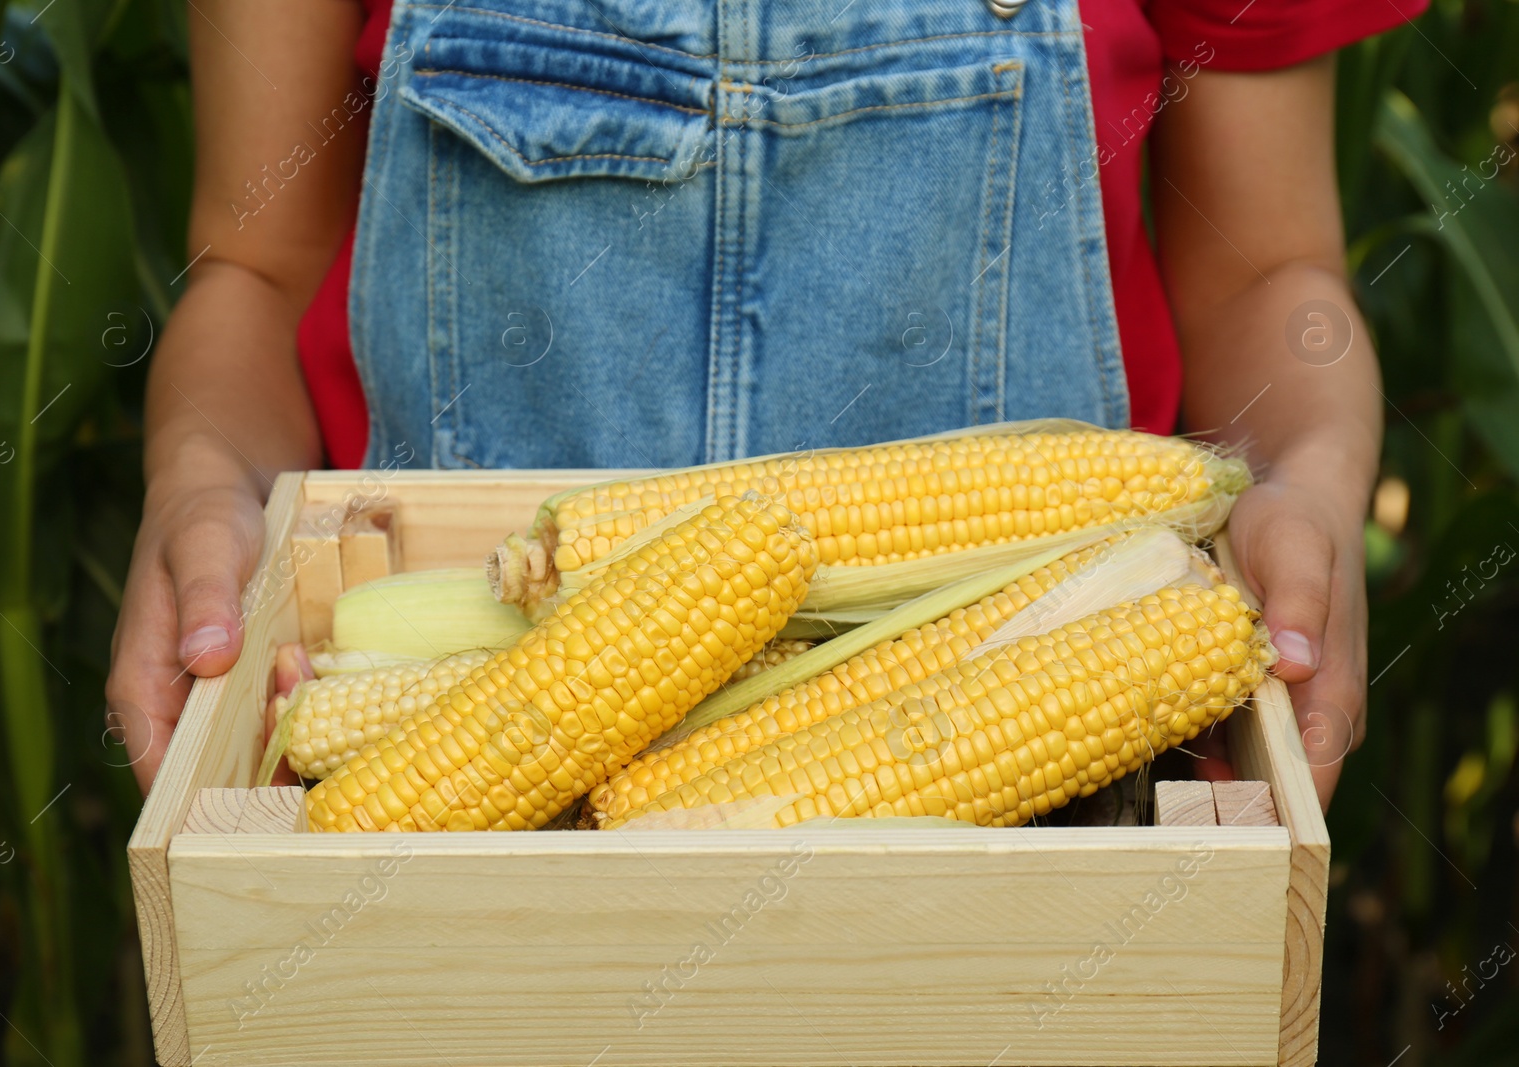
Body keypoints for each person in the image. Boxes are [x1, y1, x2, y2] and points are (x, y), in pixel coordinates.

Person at [106, 0, 1427, 806]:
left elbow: (1266, 270)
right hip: (434, 863)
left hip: (1040, 883)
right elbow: (256, 271)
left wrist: (1302, 473)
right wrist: (203, 474)